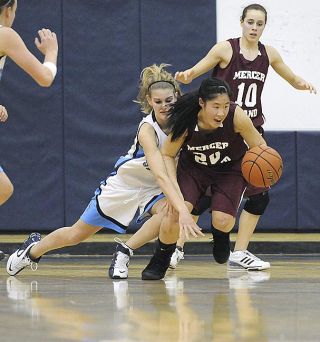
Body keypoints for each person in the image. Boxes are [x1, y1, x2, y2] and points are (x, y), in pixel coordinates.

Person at [6, 64, 202, 277]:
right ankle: (32, 250)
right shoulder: (147, 129)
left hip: (154, 189)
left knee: (170, 211)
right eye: (158, 102)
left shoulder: (185, 122)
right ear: (149, 101)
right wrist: (183, 207)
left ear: (177, 97)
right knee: (76, 235)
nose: (164, 106)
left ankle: (126, 251)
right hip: (126, 185)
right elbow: (161, 174)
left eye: (169, 101)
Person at [171, 3, 317, 270]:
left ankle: (239, 252)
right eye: (250, 22)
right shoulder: (225, 49)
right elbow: (198, 69)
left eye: (259, 24)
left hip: (249, 130)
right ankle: (176, 247)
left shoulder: (268, 53)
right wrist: (187, 74)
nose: (254, 27)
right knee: (201, 193)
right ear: (241, 22)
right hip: (221, 128)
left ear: (264, 26)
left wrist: (302, 83)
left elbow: (290, 76)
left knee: (260, 195)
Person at [141, 77, 267, 280]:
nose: (221, 112)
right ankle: (161, 259)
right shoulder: (186, 119)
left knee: (223, 220)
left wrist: (264, 170)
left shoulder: (237, 116)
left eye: (225, 106)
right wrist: (175, 195)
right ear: (202, 103)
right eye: (216, 106)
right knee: (174, 214)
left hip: (229, 169)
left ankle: (220, 236)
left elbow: (260, 148)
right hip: (194, 170)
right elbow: (167, 154)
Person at [0, 0, 58, 260]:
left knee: (3, 188)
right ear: (9, 9)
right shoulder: (5, 34)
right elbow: (45, 77)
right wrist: (51, 52)